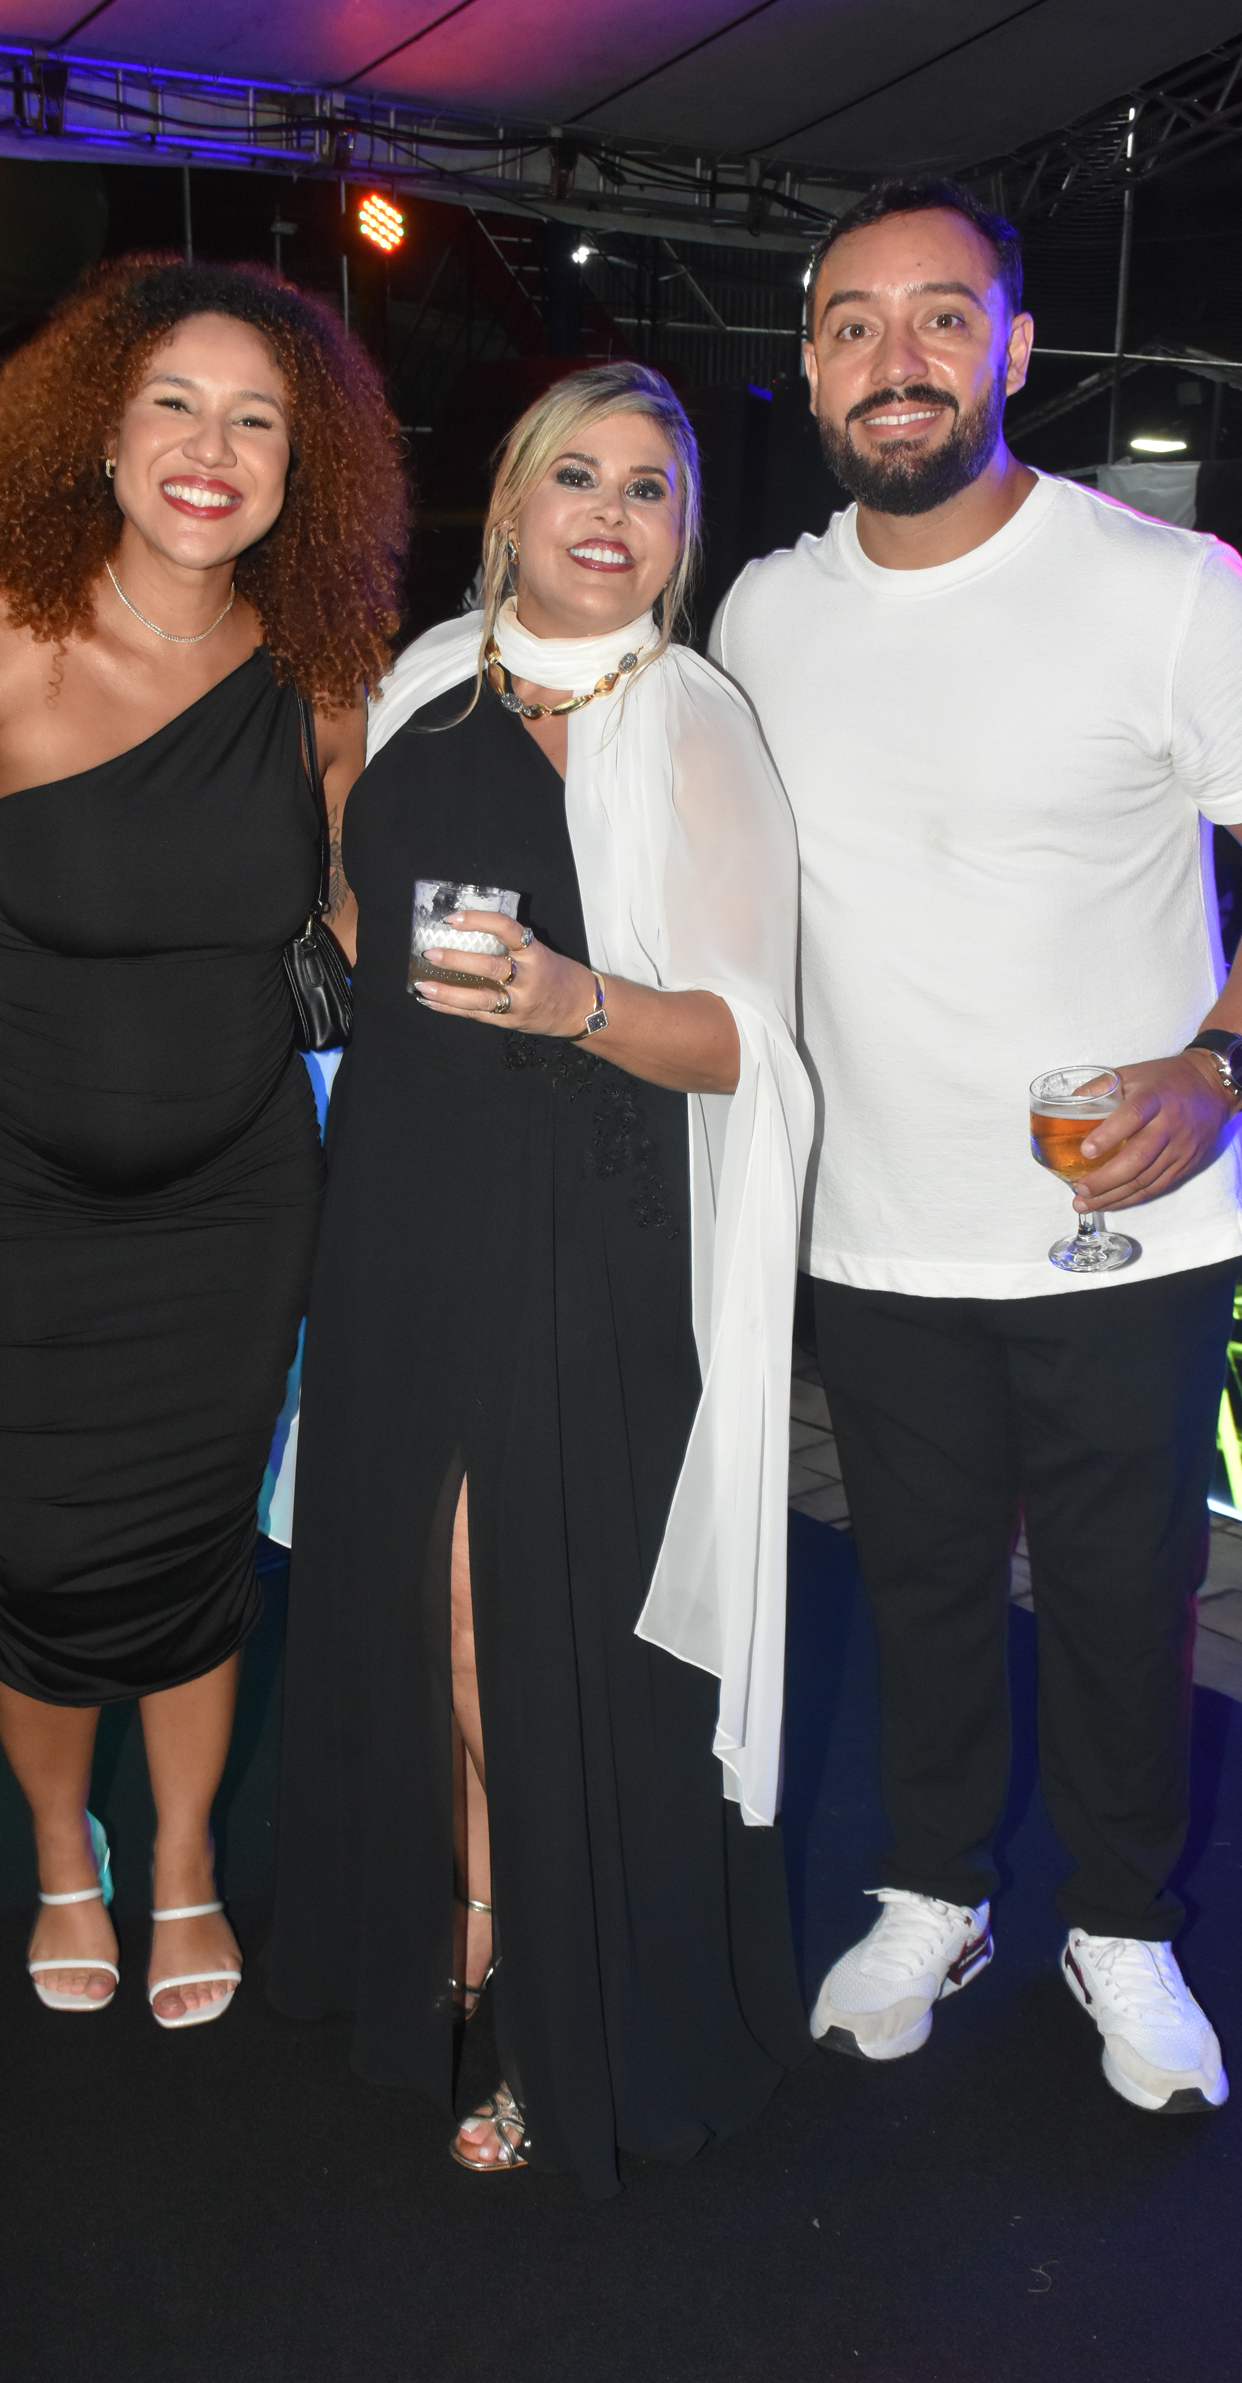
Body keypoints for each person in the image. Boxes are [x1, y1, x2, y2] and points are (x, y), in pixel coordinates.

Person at [713, 175, 1242, 2113]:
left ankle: (1119, 1926)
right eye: (854, 323)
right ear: (810, 366)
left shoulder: (1164, 590)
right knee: (920, 1590)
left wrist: (1220, 1063)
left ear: (1015, 350)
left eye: (941, 318)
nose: (897, 358)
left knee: (1127, 1602)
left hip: (1121, 1230)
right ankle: (934, 1893)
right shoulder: (763, 613)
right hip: (877, 1228)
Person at [267, 361, 814, 2195]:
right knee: (408, 1596)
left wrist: (579, 999)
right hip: (401, 1207)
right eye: (577, 475)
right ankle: (469, 1918)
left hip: (586, 1227)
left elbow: (747, 1046)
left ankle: (564, 2005)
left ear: (682, 534)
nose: (610, 512)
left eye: (650, 488)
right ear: (508, 504)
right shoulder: (425, 681)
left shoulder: (696, 724)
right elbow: (363, 916)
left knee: (521, 1616)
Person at [0, 257, 403, 2025]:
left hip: (239, 1195)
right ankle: (59, 1851)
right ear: (99, 437)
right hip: (17, 1195)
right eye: (174, 403)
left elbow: (357, 889)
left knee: (193, 1544)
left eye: (257, 421)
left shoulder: (319, 674)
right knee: (32, 1552)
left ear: (299, 470)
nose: (210, 448)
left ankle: (180, 1863)